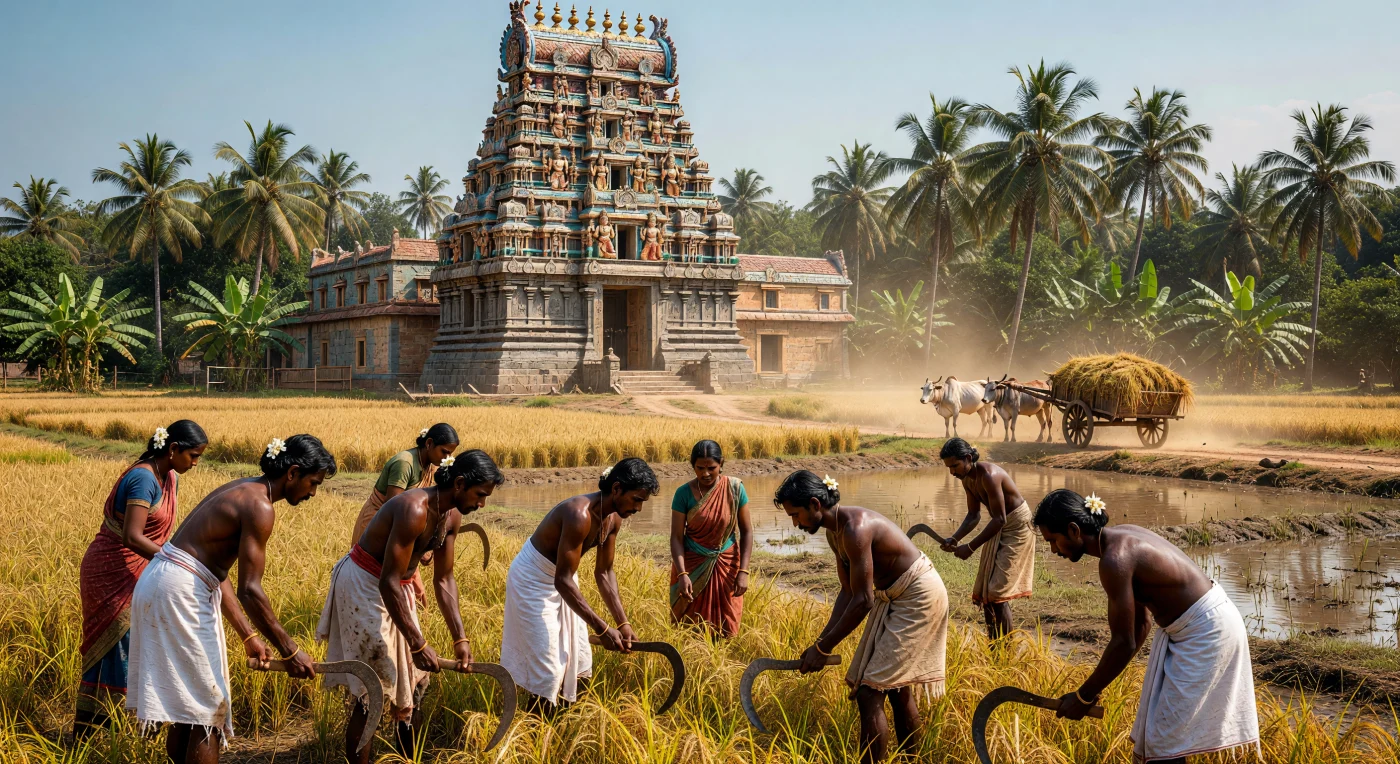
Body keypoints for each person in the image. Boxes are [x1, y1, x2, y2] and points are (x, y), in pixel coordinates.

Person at [127, 434, 337, 763]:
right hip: (179, 591)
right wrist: (291, 650)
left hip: (165, 582)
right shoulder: (260, 506)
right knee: (207, 710)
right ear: (293, 473)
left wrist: (249, 635)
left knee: (189, 706)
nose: (312, 492)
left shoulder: (247, 488)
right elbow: (250, 589)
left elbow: (217, 572)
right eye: (313, 483)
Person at [1035, 489, 1260, 764]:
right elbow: (1142, 624)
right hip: (1202, 624)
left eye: (1053, 541)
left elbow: (1123, 641)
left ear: (1073, 530)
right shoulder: (1120, 539)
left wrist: (1083, 697)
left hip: (1206, 631)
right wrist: (1094, 689)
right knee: (1162, 739)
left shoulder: (1114, 560)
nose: (1053, 550)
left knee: (1164, 745)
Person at [320, 449, 504, 764]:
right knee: (373, 687)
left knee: (415, 682)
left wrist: (460, 638)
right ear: (459, 483)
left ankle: (410, 760)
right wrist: (418, 643)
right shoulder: (413, 509)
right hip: (365, 584)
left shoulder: (452, 516)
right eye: (480, 495)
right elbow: (387, 581)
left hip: (396, 587)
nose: (483, 504)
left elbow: (444, 580)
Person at [779, 470, 948, 764]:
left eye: (796, 515)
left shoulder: (855, 529)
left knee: (870, 692)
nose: (795, 523)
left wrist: (823, 649)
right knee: (895, 688)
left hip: (918, 595)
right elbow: (847, 592)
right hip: (894, 596)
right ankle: (913, 760)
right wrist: (820, 643)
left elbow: (864, 600)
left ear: (815, 504)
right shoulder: (836, 533)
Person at [75, 421, 208, 738]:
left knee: (142, 648)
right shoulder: (143, 479)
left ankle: (127, 733)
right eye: (193, 455)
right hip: (113, 571)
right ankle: (92, 735)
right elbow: (133, 537)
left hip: (143, 570)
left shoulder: (169, 476)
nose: (196, 463)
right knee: (116, 649)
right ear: (173, 449)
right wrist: (178, 561)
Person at [500, 457, 659, 709]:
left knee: (579, 659)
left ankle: (559, 722)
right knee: (549, 670)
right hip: (532, 579)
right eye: (637, 499)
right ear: (616, 489)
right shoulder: (579, 515)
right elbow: (562, 581)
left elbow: (605, 573)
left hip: (563, 575)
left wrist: (622, 623)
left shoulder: (613, 519)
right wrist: (603, 629)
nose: (638, 508)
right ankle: (535, 732)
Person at [937, 437, 1034, 640]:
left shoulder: (989, 475)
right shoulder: (967, 479)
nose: (952, 472)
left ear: (968, 458)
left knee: (997, 595)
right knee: (986, 593)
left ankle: (1006, 649)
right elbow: (974, 515)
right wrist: (954, 538)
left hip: (1016, 527)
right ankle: (993, 645)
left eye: (954, 465)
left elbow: (999, 519)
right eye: (949, 467)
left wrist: (970, 548)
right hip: (999, 525)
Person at [350, 423, 459, 603]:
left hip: (404, 530)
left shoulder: (430, 466)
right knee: (373, 583)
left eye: (450, 453)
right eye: (444, 452)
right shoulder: (405, 463)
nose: (447, 458)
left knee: (406, 590)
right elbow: (394, 511)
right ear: (429, 444)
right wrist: (420, 547)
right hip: (380, 525)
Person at [669, 440, 751, 637]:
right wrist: (682, 574)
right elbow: (676, 537)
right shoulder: (683, 494)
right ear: (693, 466)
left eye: (711, 468)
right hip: (692, 566)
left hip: (727, 564)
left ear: (721, 463)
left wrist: (744, 571)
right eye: (700, 468)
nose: (705, 473)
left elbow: (747, 531)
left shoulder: (735, 489)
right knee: (689, 627)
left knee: (727, 624)